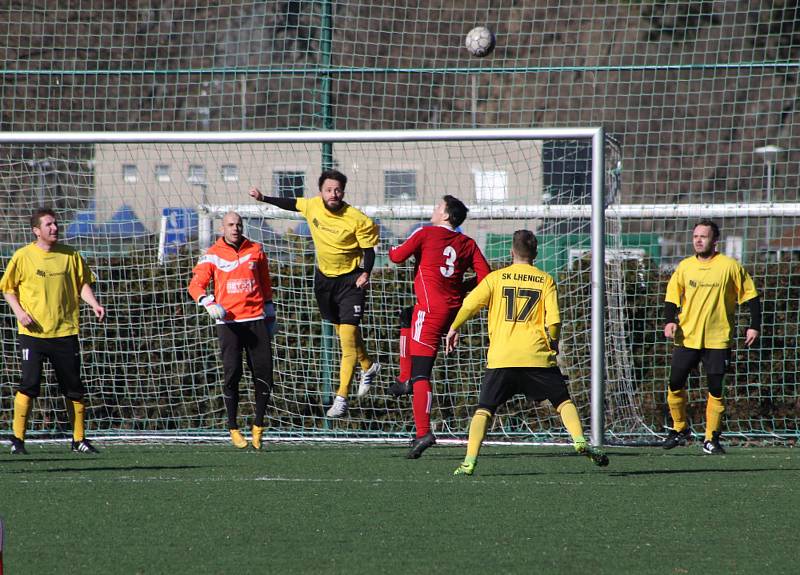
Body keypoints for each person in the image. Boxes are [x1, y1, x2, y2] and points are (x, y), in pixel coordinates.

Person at [445, 230, 609, 476]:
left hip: (502, 357)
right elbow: (554, 321)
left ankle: (469, 461)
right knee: (562, 401)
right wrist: (553, 342)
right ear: (536, 253)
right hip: (536, 356)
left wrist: (454, 328)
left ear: (512, 251)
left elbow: (469, 304)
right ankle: (579, 440)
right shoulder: (545, 280)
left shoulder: (495, 278)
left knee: (485, 409)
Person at [248, 169, 381, 418]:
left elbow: (368, 250)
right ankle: (368, 366)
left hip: (351, 282)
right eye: (329, 189)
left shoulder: (357, 219)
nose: (334, 193)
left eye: (338, 190)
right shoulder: (312, 206)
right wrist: (264, 197)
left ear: (343, 191)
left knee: (347, 338)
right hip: (324, 281)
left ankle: (341, 397)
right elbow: (290, 203)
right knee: (343, 331)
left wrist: (366, 272)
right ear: (321, 191)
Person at [388, 196, 491, 458]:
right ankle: (404, 380)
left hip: (431, 311)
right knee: (405, 317)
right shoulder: (468, 243)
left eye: (437, 207)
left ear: (445, 216)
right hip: (452, 311)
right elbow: (485, 277)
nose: (433, 210)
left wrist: (385, 247)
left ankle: (423, 432)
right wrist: (459, 288)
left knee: (422, 373)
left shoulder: (426, 233)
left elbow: (397, 257)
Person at [1, 207, 105, 455]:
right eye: (48, 225)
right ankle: (17, 439)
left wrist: (94, 303)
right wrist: (19, 312)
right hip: (33, 334)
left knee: (74, 387)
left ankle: (79, 439)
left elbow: (82, 284)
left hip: (65, 332)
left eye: (55, 224)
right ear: (36, 231)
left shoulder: (70, 255)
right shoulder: (23, 256)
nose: (54, 228)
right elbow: (8, 289)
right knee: (29, 384)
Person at [662, 219, 760, 455]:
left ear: (715, 241)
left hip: (718, 339)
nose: (698, 240)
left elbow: (751, 297)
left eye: (703, 236)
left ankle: (711, 438)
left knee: (715, 388)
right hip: (687, 338)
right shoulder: (685, 267)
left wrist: (754, 326)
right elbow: (672, 298)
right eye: (695, 236)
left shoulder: (729, 266)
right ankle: (679, 428)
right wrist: (669, 321)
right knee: (675, 383)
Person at [188, 211, 277, 449]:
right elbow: (195, 285)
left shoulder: (256, 249)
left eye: (238, 224)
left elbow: (265, 282)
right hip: (229, 324)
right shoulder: (212, 255)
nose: (235, 228)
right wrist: (207, 302)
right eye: (230, 224)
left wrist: (270, 310)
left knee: (264, 374)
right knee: (233, 374)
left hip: (256, 319)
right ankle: (233, 427)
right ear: (222, 227)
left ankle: (258, 426)